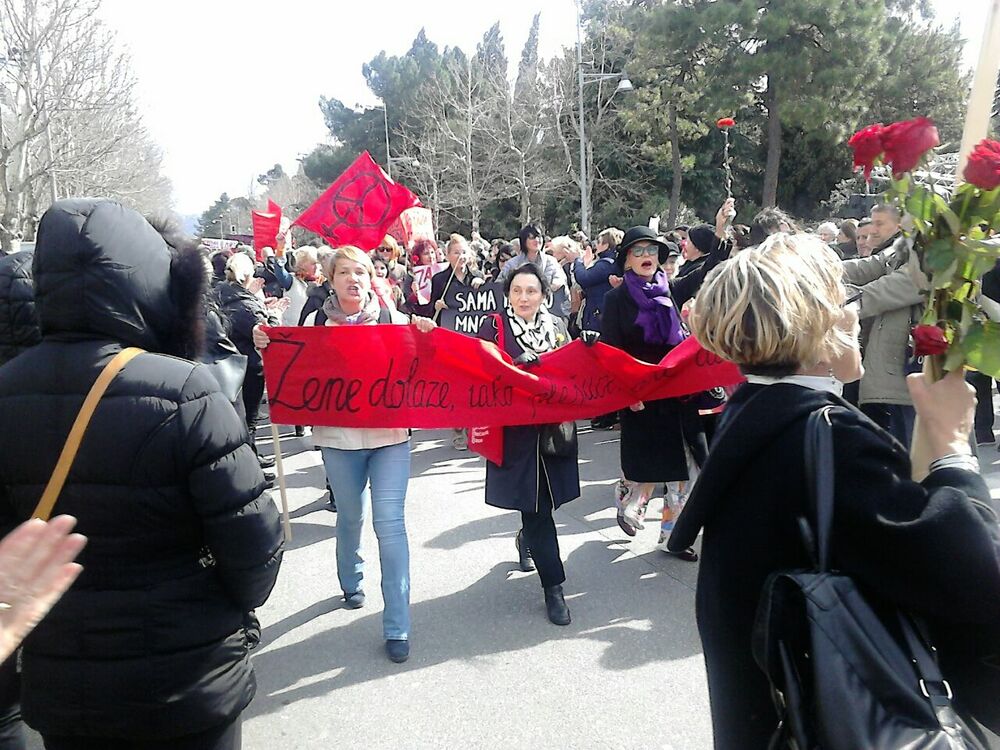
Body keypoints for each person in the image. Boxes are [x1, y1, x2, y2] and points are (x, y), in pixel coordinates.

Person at [669, 232, 1000, 749]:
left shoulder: (753, 414)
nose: (854, 316)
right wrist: (953, 449)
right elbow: (977, 579)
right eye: (843, 302)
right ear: (815, 327)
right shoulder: (830, 439)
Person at [0, 199, 284, 750]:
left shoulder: (5, 391)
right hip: (189, 678)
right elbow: (254, 547)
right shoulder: (185, 390)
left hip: (67, 686)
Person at [253, 246, 436, 664]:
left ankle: (397, 624)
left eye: (362, 271)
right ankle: (351, 581)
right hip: (338, 440)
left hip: (390, 439)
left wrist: (425, 333)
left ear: (372, 277)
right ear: (330, 279)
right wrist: (264, 341)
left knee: (390, 526)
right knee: (350, 515)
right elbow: (289, 361)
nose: (354, 279)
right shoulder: (315, 321)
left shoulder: (393, 318)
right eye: (345, 272)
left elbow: (423, 360)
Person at [600, 214, 731, 559]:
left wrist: (720, 230)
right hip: (640, 395)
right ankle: (627, 499)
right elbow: (610, 353)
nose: (647, 255)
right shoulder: (615, 301)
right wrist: (629, 394)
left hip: (679, 393)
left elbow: (711, 269)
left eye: (652, 250)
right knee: (642, 465)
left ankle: (674, 538)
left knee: (683, 468)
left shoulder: (670, 288)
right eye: (638, 250)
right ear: (627, 259)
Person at [477, 264, 581, 626]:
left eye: (531, 291)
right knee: (537, 509)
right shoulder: (494, 326)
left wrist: (589, 349)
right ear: (508, 294)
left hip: (553, 431)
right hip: (517, 434)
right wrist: (513, 365)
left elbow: (574, 370)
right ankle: (554, 586)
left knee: (544, 507)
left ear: (543, 294)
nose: (524, 297)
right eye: (517, 290)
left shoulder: (556, 327)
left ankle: (527, 541)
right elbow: (482, 372)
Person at [842, 204, 921, 447]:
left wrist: (837, 300)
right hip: (890, 379)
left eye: (879, 224)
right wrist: (814, 266)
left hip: (909, 384)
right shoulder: (902, 249)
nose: (872, 231)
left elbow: (886, 290)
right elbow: (867, 267)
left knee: (918, 466)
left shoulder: (937, 255)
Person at [216, 253, 285, 476]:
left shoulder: (219, 295)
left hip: (225, 367)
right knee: (248, 421)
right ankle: (250, 468)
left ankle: (252, 457)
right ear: (247, 276)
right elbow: (267, 333)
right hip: (248, 367)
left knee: (239, 421)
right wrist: (274, 314)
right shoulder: (245, 305)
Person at [431, 234, 485, 451]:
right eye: (456, 252)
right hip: (451, 340)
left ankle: (474, 427)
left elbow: (488, 305)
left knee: (474, 383)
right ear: (447, 256)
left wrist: (483, 285)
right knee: (456, 384)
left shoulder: (478, 276)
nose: (461, 256)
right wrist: (437, 306)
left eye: (464, 252)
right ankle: (458, 427)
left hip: (474, 338)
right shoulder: (439, 281)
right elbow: (430, 312)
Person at [496, 225, 568, 296]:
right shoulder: (512, 264)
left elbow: (560, 281)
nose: (536, 240)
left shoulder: (552, 261)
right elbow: (498, 285)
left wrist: (547, 290)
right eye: (531, 237)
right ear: (524, 241)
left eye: (539, 237)